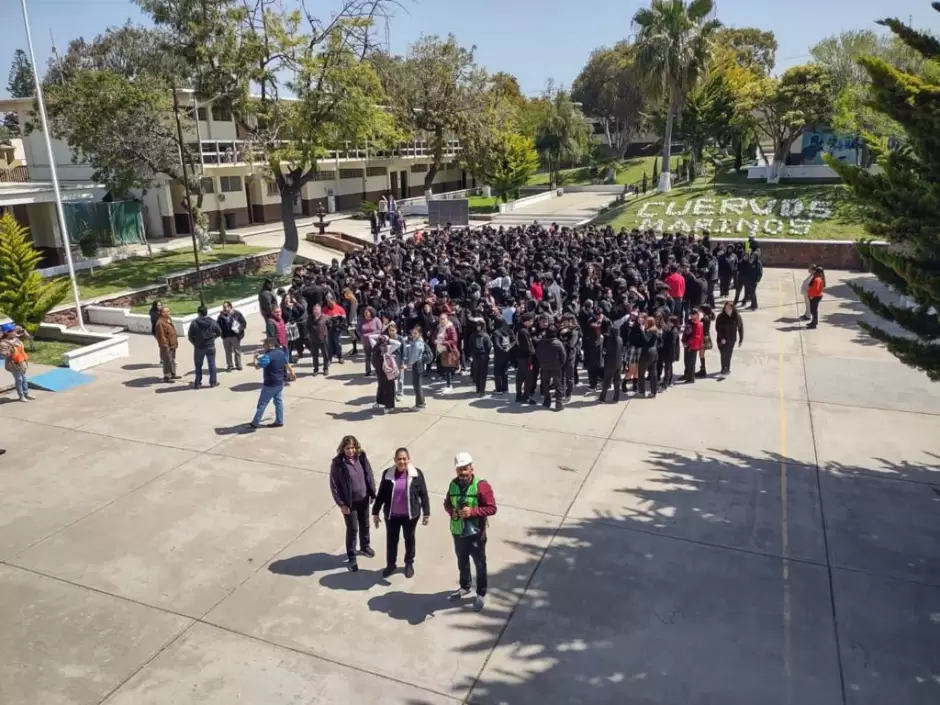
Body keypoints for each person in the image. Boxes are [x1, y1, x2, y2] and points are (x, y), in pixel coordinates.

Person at [444, 452, 497, 612]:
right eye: (459, 469)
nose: (463, 472)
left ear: (471, 468)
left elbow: (492, 508)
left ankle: (481, 593)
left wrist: (473, 512)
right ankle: (465, 586)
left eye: (465, 468)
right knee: (462, 561)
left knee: (480, 564)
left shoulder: (482, 486)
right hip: (458, 532)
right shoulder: (453, 484)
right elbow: (447, 503)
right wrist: (451, 511)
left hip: (475, 534)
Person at [372, 447, 431, 578]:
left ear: (409, 460)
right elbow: (381, 494)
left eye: (404, 458)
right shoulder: (387, 474)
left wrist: (426, 513)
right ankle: (391, 564)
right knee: (392, 540)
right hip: (392, 516)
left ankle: (409, 563)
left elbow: (424, 494)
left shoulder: (417, 474)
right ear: (394, 460)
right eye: (399, 459)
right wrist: (375, 512)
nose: (402, 461)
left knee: (409, 539)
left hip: (410, 516)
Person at [329, 435, 377, 572]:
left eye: (353, 448)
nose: (351, 451)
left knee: (365, 524)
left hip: (364, 499)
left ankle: (365, 546)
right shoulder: (338, 464)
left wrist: (372, 492)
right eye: (348, 448)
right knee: (353, 529)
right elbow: (334, 485)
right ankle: (351, 556)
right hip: (349, 503)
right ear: (343, 448)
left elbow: (369, 474)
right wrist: (341, 504)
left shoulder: (361, 458)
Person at [249, 336, 290, 428]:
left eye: (265, 344)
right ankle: (279, 420)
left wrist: (255, 359)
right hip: (280, 382)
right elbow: (286, 364)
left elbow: (257, 366)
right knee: (278, 401)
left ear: (270, 345)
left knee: (262, 403)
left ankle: (255, 423)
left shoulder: (268, 356)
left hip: (270, 383)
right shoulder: (281, 353)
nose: (263, 346)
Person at [187, 305, 222, 389]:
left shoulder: (194, 323)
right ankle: (213, 382)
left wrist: (195, 343)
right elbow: (219, 332)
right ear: (206, 312)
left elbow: (190, 336)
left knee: (198, 365)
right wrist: (213, 337)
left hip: (199, 347)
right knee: (212, 364)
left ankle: (198, 383)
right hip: (210, 346)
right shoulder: (212, 322)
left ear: (198, 313)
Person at [368, 331, 401, 414]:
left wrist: (380, 336)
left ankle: (379, 402)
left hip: (379, 371)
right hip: (387, 371)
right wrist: (388, 339)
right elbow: (398, 343)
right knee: (389, 388)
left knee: (381, 386)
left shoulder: (375, 346)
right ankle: (389, 407)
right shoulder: (388, 348)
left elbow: (370, 337)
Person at [535, 325, 566, 410]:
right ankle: (558, 403)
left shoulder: (541, 342)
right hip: (556, 367)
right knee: (558, 385)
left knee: (545, 384)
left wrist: (541, 363)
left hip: (544, 367)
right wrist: (560, 364)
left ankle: (546, 401)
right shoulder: (558, 343)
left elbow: (537, 354)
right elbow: (563, 356)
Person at [0, 323, 33, 401]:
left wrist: (23, 329)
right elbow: (3, 355)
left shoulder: (16, 338)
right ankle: (21, 396)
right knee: (19, 379)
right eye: (11, 331)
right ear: (6, 332)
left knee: (24, 378)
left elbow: (25, 334)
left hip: (22, 362)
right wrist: (11, 351)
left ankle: (26, 393)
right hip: (13, 363)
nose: (14, 332)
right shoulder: (3, 343)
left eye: (14, 330)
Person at [715, 301, 744, 376]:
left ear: (733, 309)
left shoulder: (737, 317)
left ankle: (727, 368)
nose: (727, 309)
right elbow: (718, 328)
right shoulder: (720, 317)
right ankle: (724, 368)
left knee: (728, 354)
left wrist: (741, 339)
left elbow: (740, 328)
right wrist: (722, 338)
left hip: (731, 339)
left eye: (729, 308)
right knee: (723, 353)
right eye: (726, 308)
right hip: (722, 339)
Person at [598, 319, 624, 403]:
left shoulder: (609, 340)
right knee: (617, 382)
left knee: (606, 382)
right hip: (618, 364)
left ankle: (602, 398)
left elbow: (604, 335)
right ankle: (616, 398)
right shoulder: (620, 339)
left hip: (610, 364)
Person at [403, 325, 428, 409]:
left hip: (417, 365)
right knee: (417, 384)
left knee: (417, 385)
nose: (413, 334)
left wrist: (408, 364)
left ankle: (420, 404)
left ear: (420, 334)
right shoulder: (416, 340)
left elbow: (414, 356)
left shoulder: (418, 343)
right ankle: (421, 402)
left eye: (415, 333)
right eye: (412, 333)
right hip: (417, 364)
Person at [217, 301, 247, 372]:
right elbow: (218, 326)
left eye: (225, 307)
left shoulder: (237, 314)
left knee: (237, 351)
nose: (224, 309)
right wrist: (221, 333)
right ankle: (230, 365)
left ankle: (238, 365)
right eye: (223, 307)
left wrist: (239, 329)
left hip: (235, 336)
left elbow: (244, 323)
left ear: (230, 307)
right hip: (226, 337)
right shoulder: (220, 317)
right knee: (228, 352)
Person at [435, 312, 459, 392]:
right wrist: (434, 339)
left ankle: (449, 385)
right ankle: (447, 384)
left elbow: (454, 340)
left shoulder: (450, 328)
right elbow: (435, 335)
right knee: (444, 367)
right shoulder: (439, 327)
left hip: (448, 350)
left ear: (447, 319)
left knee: (448, 368)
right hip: (441, 350)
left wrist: (443, 342)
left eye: (443, 319)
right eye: (440, 319)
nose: (441, 321)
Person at [515, 312, 536, 404]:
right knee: (528, 378)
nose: (532, 322)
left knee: (520, 376)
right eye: (530, 321)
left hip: (520, 356)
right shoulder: (524, 332)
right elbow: (528, 347)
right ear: (526, 322)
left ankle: (518, 394)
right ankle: (526, 396)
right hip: (526, 358)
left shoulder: (519, 329)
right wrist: (534, 354)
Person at [154, 306, 180, 382]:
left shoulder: (168, 320)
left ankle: (173, 374)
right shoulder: (160, 323)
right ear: (162, 313)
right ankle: (167, 376)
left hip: (172, 345)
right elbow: (162, 336)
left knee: (172, 360)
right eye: (167, 311)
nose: (169, 313)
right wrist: (165, 346)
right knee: (167, 360)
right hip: (167, 346)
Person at [469, 319, 492, 397]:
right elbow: (489, 346)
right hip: (483, 356)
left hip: (475, 356)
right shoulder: (486, 336)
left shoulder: (472, 336)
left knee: (476, 373)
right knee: (483, 374)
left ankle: (478, 388)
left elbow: (470, 346)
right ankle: (482, 391)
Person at [681, 308, 705, 383]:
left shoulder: (698, 324)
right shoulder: (689, 322)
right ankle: (686, 374)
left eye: (693, 314)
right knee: (686, 361)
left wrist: (688, 343)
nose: (691, 316)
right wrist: (683, 340)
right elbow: (686, 331)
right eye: (691, 314)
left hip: (693, 346)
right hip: (687, 344)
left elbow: (696, 336)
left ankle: (691, 378)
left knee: (691, 362)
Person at [307, 303, 331, 376]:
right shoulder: (310, 318)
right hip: (314, 340)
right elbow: (308, 327)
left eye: (316, 309)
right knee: (315, 355)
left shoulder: (326, 317)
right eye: (314, 309)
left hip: (323, 339)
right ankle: (316, 369)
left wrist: (325, 334)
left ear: (320, 310)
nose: (315, 311)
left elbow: (330, 326)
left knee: (325, 355)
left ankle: (325, 368)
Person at [358, 307, 382, 375]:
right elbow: (358, 329)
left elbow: (379, 330)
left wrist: (371, 334)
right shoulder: (361, 320)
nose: (365, 314)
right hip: (365, 341)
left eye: (367, 313)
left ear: (371, 313)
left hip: (375, 341)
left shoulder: (377, 320)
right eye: (364, 313)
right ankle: (368, 370)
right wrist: (361, 335)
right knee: (367, 356)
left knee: (376, 357)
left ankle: (378, 369)